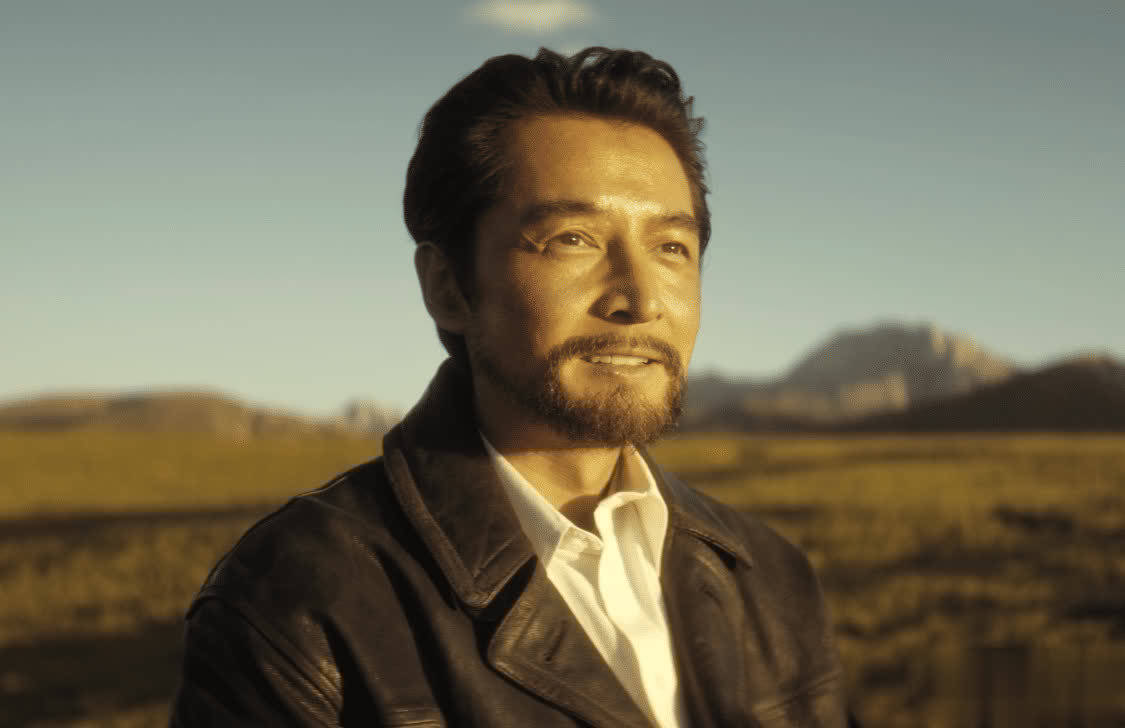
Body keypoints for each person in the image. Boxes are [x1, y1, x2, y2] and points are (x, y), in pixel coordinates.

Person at [170, 47, 849, 727]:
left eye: (671, 247)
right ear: (448, 287)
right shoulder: (296, 601)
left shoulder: (769, 578)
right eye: (573, 239)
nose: (640, 300)